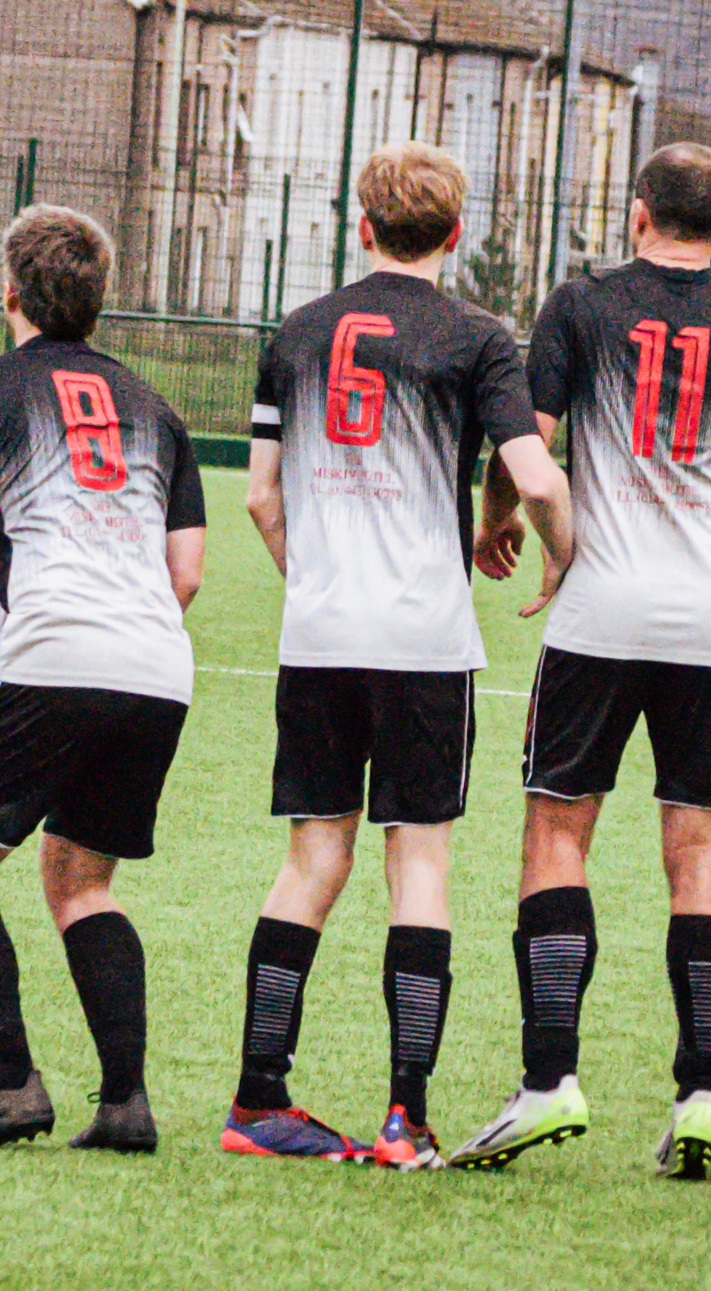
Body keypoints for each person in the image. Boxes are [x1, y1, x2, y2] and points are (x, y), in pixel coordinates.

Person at [450, 142, 711, 1180]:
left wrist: (505, 524)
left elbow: (521, 451)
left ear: (633, 215)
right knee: (698, 850)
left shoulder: (579, 309)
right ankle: (701, 1095)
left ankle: (548, 1081)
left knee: (557, 834)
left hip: (600, 616)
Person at [221, 144, 575, 1170]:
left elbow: (258, 495)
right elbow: (535, 480)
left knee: (309, 861)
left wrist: (318, 582)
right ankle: (402, 1119)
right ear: (454, 236)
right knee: (415, 862)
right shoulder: (475, 335)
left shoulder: (296, 331)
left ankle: (258, 1100)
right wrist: (556, 559)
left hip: (319, 638)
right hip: (422, 642)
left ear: (360, 227)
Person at [0, 204, 205, 1154]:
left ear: (9, 295)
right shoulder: (158, 409)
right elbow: (188, 570)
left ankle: (12, 1089)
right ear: (99, 299)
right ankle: (125, 1104)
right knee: (83, 880)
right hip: (158, 667)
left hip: (50, 656)